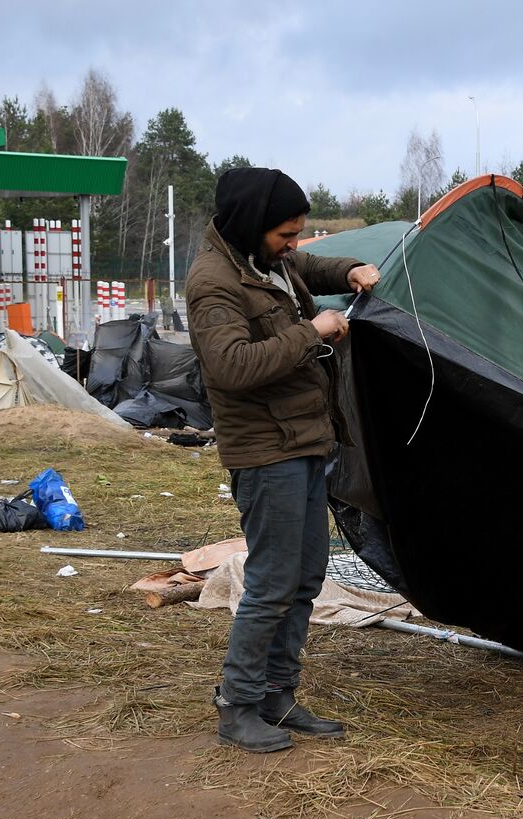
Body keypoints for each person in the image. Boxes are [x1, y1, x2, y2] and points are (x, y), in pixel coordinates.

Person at [186, 167, 381, 753]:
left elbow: (308, 268)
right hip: (266, 451)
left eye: (298, 233)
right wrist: (313, 330)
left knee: (304, 578)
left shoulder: (264, 260)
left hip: (305, 441)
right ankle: (238, 705)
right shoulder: (214, 283)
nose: (294, 245)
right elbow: (233, 367)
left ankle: (277, 695)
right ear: (252, 226)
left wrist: (349, 269)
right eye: (285, 234)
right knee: (271, 582)